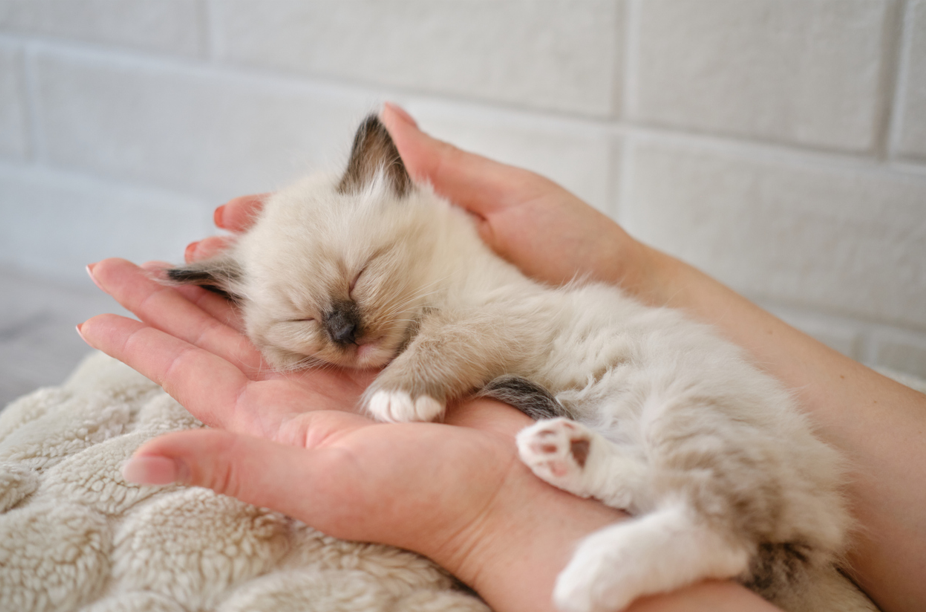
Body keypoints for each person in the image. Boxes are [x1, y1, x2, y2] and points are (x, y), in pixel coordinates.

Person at [79, 104, 926, 612]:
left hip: (644, 377)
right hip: (628, 436)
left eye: (359, 286)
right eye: (308, 326)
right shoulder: (337, 293)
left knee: (688, 409)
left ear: (404, 197)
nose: (344, 332)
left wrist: (415, 376)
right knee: (649, 451)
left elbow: (502, 328)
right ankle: (662, 502)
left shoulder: (461, 272)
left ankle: (705, 527)